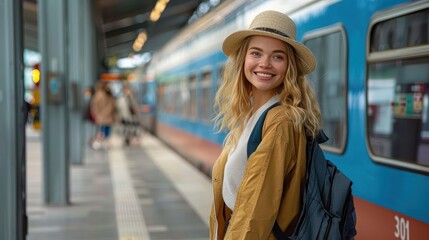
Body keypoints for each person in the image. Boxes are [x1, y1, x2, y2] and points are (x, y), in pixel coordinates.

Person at [210, 10, 323, 239]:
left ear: (288, 66)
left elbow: (255, 213)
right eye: (256, 53)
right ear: (244, 59)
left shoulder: (281, 120)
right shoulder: (250, 114)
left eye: (277, 56)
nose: (265, 63)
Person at [90, 81, 117, 150]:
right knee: (106, 131)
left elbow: (94, 106)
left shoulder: (98, 95)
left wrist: (97, 114)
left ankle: (97, 144)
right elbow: (113, 106)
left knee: (101, 130)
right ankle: (105, 144)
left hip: (101, 116)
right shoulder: (109, 95)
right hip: (108, 116)